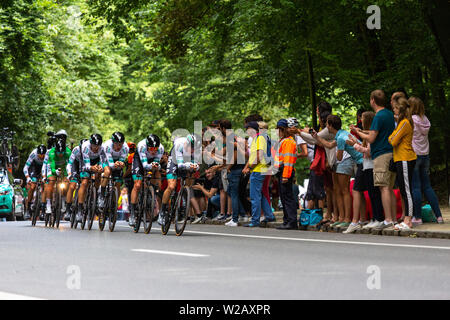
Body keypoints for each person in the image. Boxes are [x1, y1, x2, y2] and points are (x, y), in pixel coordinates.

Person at [355, 90, 396, 230]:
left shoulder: (378, 116)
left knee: (383, 187)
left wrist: (358, 133)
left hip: (381, 154)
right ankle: (394, 218)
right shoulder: (390, 114)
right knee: (389, 188)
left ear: (373, 100)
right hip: (391, 152)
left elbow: (372, 138)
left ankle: (388, 219)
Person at [314, 115, 363, 230]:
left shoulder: (341, 137)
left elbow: (339, 157)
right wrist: (316, 137)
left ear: (330, 125)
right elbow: (330, 145)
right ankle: (341, 218)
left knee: (344, 190)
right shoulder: (341, 133)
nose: (326, 126)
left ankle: (346, 219)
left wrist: (331, 160)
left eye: (327, 124)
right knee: (338, 190)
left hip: (347, 161)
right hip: (352, 161)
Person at [409, 96, 443, 224]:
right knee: (427, 187)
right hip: (425, 155)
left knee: (416, 187)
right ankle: (438, 216)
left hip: (414, 155)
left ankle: (417, 217)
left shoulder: (412, 120)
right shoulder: (425, 120)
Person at [348, 112, 384, 229]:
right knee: (372, 194)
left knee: (374, 194)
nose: (361, 121)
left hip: (371, 166)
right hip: (367, 166)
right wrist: (356, 140)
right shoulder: (368, 134)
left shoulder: (371, 137)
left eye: (362, 119)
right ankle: (375, 218)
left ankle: (378, 218)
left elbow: (368, 152)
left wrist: (355, 145)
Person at [159, 133, 201, 225]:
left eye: (194, 148)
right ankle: (162, 212)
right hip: (175, 159)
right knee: (171, 186)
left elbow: (197, 165)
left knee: (187, 181)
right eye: (191, 147)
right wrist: (190, 165)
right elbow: (180, 165)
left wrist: (195, 166)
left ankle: (182, 200)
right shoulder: (179, 144)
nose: (192, 150)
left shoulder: (197, 150)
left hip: (186, 160)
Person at [389, 97, 417, 230]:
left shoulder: (405, 123)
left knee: (406, 191)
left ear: (400, 111)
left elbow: (393, 141)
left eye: (395, 109)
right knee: (403, 190)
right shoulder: (401, 123)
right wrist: (393, 136)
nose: (393, 111)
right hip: (400, 159)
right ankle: (407, 219)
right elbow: (392, 137)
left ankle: (408, 220)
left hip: (405, 158)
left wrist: (393, 136)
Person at [242, 121, 276, 227]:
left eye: (247, 129)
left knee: (254, 196)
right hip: (259, 169)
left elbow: (259, 155)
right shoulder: (259, 138)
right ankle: (269, 216)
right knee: (260, 194)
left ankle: (255, 220)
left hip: (258, 170)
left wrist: (250, 167)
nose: (246, 131)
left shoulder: (259, 138)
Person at [129, 134, 164, 227]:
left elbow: (157, 163)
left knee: (157, 179)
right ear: (147, 146)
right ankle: (132, 214)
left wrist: (157, 166)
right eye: (151, 148)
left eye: (155, 149)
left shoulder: (161, 148)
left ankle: (153, 194)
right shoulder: (141, 146)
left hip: (152, 161)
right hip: (140, 161)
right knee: (137, 185)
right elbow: (145, 165)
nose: (153, 151)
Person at [274, 119, 298, 230]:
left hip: (285, 171)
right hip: (283, 171)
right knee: (284, 197)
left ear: (282, 129)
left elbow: (288, 160)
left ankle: (291, 221)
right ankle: (287, 220)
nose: (276, 132)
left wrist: (285, 175)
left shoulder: (288, 141)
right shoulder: (284, 141)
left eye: (278, 129)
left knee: (287, 197)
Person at [76, 134, 104, 222]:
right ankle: (80, 210)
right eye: (94, 146)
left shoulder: (102, 148)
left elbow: (103, 161)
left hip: (96, 160)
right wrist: (91, 168)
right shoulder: (85, 147)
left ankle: (96, 193)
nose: (96, 148)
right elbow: (87, 165)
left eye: (98, 146)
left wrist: (100, 167)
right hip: (85, 162)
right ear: (90, 144)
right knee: (84, 182)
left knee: (99, 173)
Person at [98, 132, 129, 210]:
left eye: (121, 144)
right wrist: (115, 164)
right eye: (117, 144)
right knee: (107, 172)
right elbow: (111, 164)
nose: (119, 146)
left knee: (118, 183)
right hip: (106, 159)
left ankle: (114, 204)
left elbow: (122, 160)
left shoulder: (125, 148)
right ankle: (101, 196)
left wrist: (121, 163)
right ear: (113, 142)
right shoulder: (107, 146)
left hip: (117, 160)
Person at [43, 139, 71, 216]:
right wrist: (54, 171)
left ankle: (63, 200)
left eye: (62, 152)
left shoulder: (68, 152)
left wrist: (69, 174)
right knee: (51, 182)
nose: (60, 154)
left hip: (64, 167)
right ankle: (48, 204)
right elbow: (52, 166)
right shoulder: (51, 152)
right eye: (58, 152)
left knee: (66, 183)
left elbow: (70, 163)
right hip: (53, 167)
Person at [64, 139, 87, 221]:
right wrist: (70, 175)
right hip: (75, 166)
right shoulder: (76, 150)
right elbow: (69, 164)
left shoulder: (89, 150)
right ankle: (67, 210)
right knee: (72, 186)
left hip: (85, 166)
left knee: (86, 183)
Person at [23, 144, 47, 219]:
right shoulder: (33, 154)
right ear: (37, 153)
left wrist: (45, 177)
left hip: (44, 167)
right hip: (34, 167)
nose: (42, 157)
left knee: (45, 186)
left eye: (43, 155)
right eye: (40, 155)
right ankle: (28, 208)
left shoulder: (48, 155)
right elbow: (25, 167)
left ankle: (43, 209)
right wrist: (27, 177)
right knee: (32, 186)